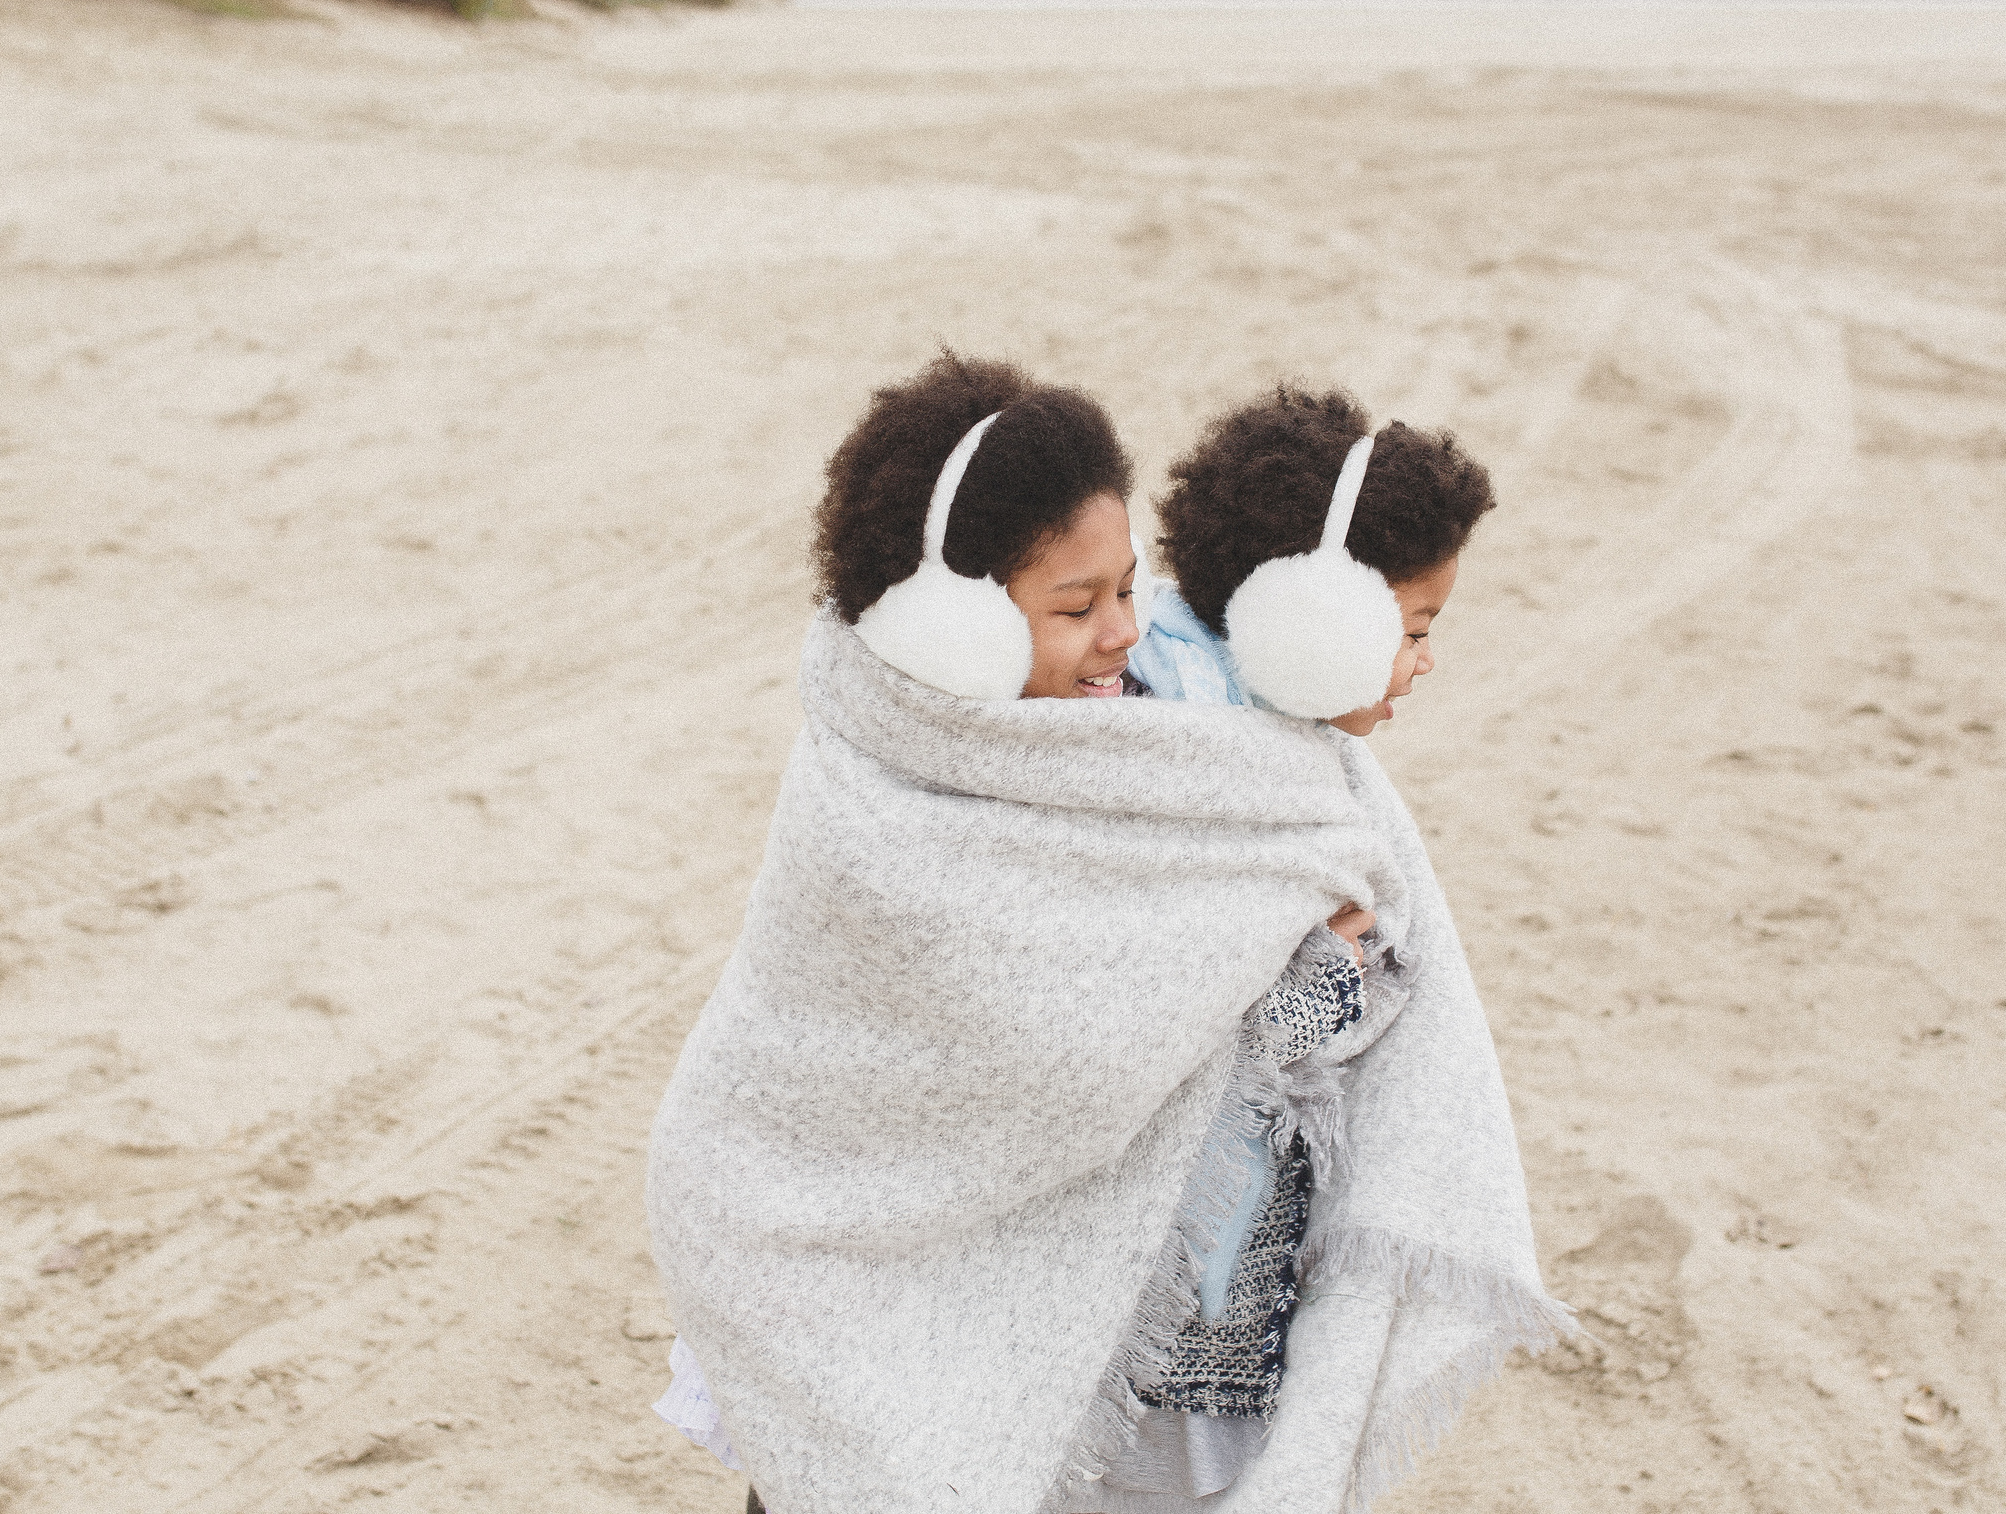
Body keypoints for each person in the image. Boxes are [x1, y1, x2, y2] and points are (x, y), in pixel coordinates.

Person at [645, 356, 1561, 1514]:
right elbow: (1045, 1063)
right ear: (950, 622)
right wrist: (1301, 989)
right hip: (866, 1279)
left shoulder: (1177, 759)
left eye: (1128, 588)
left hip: (1151, 1317)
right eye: (1075, 609)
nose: (1125, 634)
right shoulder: (870, 793)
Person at [1084, 386, 1502, 1510]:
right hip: (1146, 1279)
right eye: (1413, 629)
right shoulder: (1158, 740)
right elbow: (1130, 1011)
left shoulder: (1282, 748)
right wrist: (1321, 986)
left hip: (1218, 1258)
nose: (1424, 663)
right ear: (1315, 619)